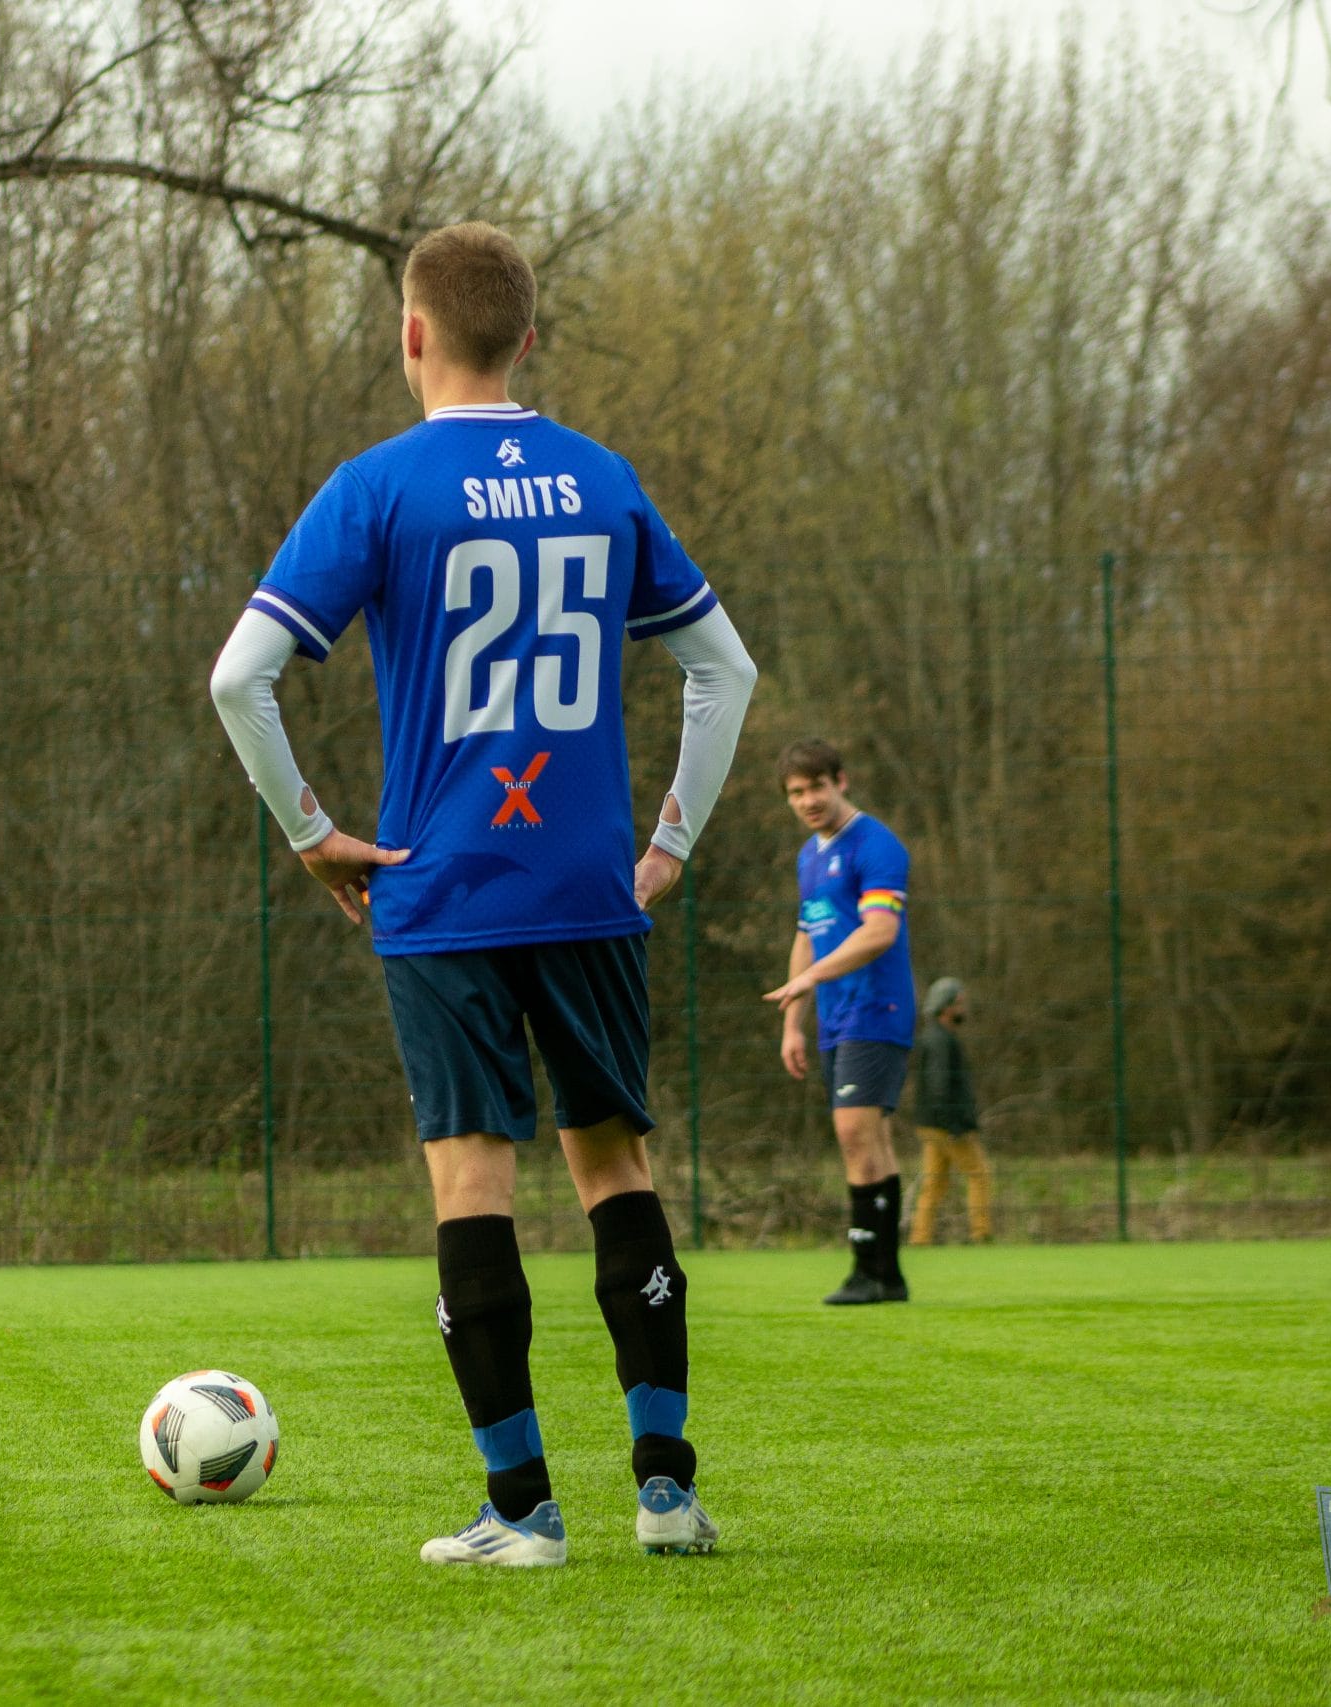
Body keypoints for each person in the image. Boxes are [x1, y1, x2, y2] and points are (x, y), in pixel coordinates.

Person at [207, 222, 756, 1567]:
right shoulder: (604, 478)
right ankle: (669, 1493)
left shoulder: (377, 487)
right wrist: (671, 835)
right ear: (528, 336)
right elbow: (722, 669)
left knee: (474, 1188)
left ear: (412, 334)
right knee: (617, 1168)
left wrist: (316, 833)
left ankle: (523, 1510)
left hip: (442, 894)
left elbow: (240, 678)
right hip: (587, 887)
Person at [762, 740, 915, 1305]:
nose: (807, 800)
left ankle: (867, 1270)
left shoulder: (876, 845)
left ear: (840, 781)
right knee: (869, 1137)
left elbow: (880, 931)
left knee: (854, 1133)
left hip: (877, 1008)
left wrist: (810, 980)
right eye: (796, 793)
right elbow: (807, 934)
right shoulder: (810, 856)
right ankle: (887, 1276)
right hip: (834, 1016)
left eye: (816, 787)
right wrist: (792, 1023)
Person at [909, 977, 993, 1244]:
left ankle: (920, 1237)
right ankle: (981, 1233)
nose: (963, 1009)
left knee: (934, 1184)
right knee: (979, 1174)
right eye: (959, 1003)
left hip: (930, 1122)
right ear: (946, 1008)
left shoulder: (933, 1038)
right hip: (946, 1124)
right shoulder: (941, 1042)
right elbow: (939, 1085)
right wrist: (954, 1124)